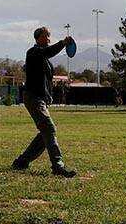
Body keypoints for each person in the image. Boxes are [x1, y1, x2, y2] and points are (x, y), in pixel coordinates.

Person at [12, 26, 76, 177]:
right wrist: (63, 43)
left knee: (45, 132)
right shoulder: (33, 52)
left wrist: (49, 96)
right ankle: (57, 165)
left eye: (49, 36)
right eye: (47, 36)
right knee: (49, 128)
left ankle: (22, 161)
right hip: (32, 97)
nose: (49, 39)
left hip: (40, 98)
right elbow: (48, 51)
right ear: (38, 37)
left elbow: (46, 80)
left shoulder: (44, 58)